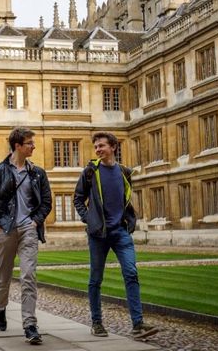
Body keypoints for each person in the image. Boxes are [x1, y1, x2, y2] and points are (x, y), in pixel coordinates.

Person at [73, 132, 158, 339]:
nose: (98, 150)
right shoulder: (90, 172)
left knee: (131, 273)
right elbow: (78, 198)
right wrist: (90, 220)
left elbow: (126, 199)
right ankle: (97, 322)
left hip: (120, 232)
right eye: (96, 147)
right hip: (98, 234)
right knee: (96, 279)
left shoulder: (124, 172)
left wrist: (130, 220)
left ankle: (137, 324)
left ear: (113, 147)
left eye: (101, 146)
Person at [0, 127, 52, 345]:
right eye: (29, 143)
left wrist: (36, 221)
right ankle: (0, 308)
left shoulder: (37, 172)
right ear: (17, 146)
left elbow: (46, 202)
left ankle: (30, 324)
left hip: (28, 230)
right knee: (3, 277)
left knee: (29, 276)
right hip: (5, 230)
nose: (34, 146)